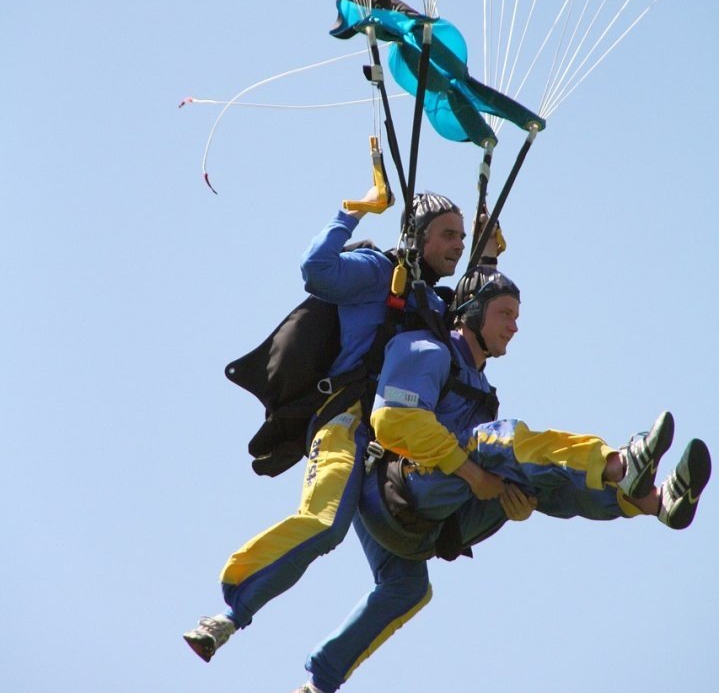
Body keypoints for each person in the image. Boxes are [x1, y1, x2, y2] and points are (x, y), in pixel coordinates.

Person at [290, 269, 711, 693]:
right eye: (505, 313)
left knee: (531, 482)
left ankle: (653, 501)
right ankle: (619, 463)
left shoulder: (482, 388)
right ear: (472, 313)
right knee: (500, 441)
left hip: (436, 528)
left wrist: (515, 500)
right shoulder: (427, 348)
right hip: (396, 490)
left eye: (517, 316)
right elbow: (397, 418)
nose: (514, 326)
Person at [183, 189, 497, 664]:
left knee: (408, 586)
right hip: (348, 424)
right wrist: (351, 213)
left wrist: (488, 254)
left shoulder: (435, 306)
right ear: (419, 237)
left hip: (392, 449)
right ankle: (230, 610)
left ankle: (320, 678)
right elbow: (317, 271)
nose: (457, 244)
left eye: (461, 236)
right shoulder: (378, 271)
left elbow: (476, 334)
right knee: (325, 522)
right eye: (448, 235)